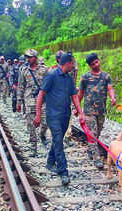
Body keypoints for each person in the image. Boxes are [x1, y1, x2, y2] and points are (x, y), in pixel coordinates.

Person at [33, 52, 86, 185]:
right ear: (67, 63)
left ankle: (50, 162)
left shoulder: (68, 79)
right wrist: (38, 114)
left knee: (58, 140)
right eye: (72, 63)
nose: (73, 66)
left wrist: (80, 113)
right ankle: (63, 171)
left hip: (65, 115)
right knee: (58, 140)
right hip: (53, 115)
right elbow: (41, 94)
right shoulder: (51, 75)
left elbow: (74, 96)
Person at [75, 52, 116, 169]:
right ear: (90, 66)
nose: (95, 65)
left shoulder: (106, 76)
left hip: (101, 111)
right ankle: (97, 159)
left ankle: (90, 149)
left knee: (97, 133)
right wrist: (78, 109)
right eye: (93, 64)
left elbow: (110, 88)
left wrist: (113, 97)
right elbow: (81, 93)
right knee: (92, 135)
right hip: (89, 110)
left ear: (99, 60)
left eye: (96, 62)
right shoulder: (85, 77)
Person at [17, 49, 49, 155]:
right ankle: (33, 147)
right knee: (30, 125)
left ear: (35, 57)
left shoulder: (44, 70)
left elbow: (51, 84)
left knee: (45, 122)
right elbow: (21, 87)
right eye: (27, 57)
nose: (28, 59)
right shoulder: (24, 70)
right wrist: (19, 102)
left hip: (44, 101)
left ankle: (42, 134)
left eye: (30, 57)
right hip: (29, 100)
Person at [49, 50, 77, 147]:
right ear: (58, 59)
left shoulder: (72, 68)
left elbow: (73, 81)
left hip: (68, 97)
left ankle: (67, 137)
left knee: (68, 118)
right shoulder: (52, 71)